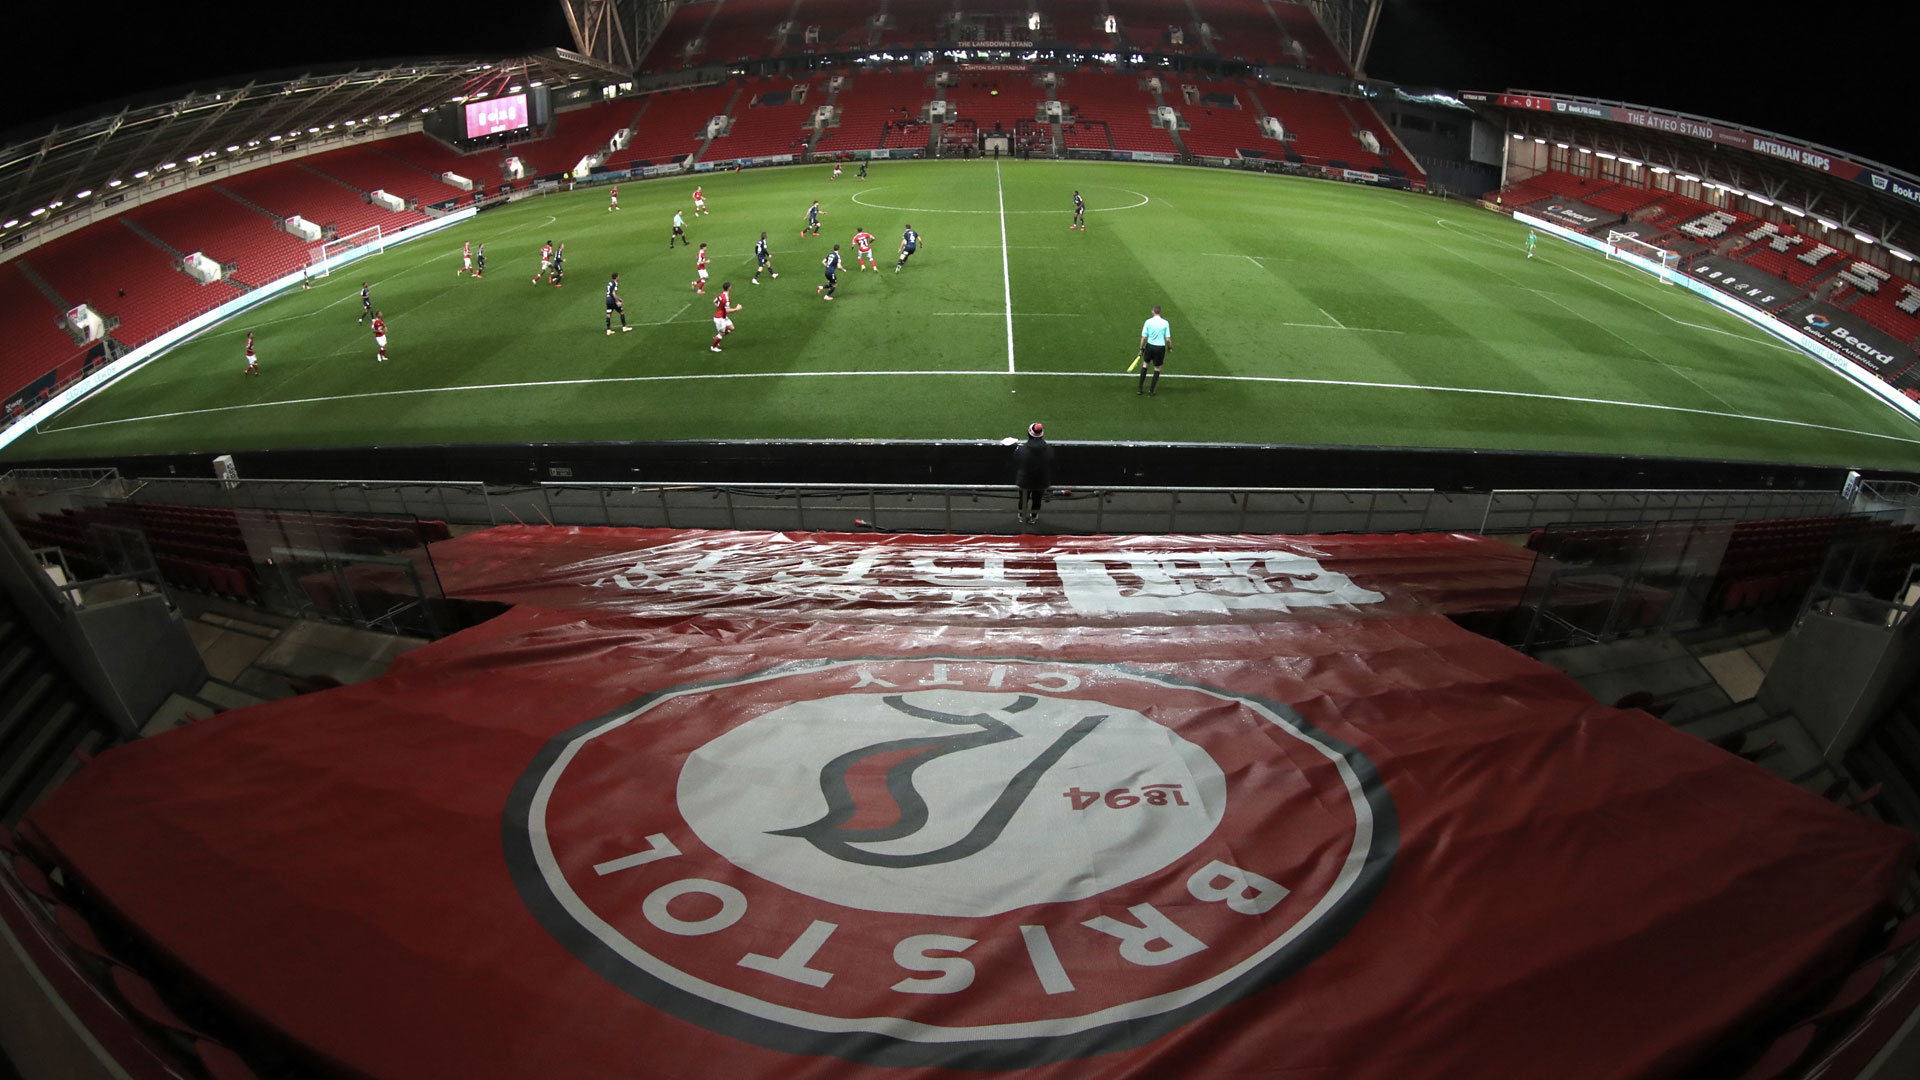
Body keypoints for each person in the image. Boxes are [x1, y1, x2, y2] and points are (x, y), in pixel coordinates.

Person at [1012, 422, 1053, 524]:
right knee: (1037, 499)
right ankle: (1034, 517)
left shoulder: (1022, 449)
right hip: (1041, 481)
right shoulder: (1049, 449)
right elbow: (1052, 461)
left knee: (1023, 498)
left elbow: (1015, 460)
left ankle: (1022, 516)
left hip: (1025, 481)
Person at [1137, 304, 1170, 396]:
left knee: (1145, 365)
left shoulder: (1148, 322)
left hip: (1150, 346)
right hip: (1160, 348)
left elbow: (1143, 338)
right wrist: (1170, 348)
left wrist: (1141, 348)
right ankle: (1151, 390)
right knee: (1157, 368)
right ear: (1160, 312)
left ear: (1153, 311)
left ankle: (1140, 388)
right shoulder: (1165, 323)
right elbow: (1168, 339)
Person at [710, 281, 740, 351]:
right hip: (720, 318)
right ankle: (713, 347)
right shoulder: (726, 298)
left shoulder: (721, 294)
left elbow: (714, 301)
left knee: (731, 328)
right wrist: (737, 308)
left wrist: (719, 308)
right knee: (721, 334)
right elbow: (728, 311)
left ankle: (717, 337)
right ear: (729, 288)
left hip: (723, 317)